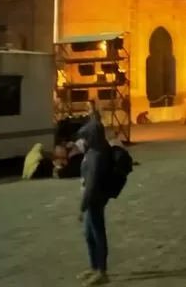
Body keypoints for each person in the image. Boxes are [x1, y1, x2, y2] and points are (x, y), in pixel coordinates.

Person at [77, 120, 112, 285]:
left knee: (97, 235)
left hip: (94, 200)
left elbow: (91, 184)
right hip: (92, 199)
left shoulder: (97, 155)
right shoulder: (94, 150)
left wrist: (82, 206)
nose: (83, 140)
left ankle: (101, 271)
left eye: (85, 136)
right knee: (89, 235)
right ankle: (93, 267)